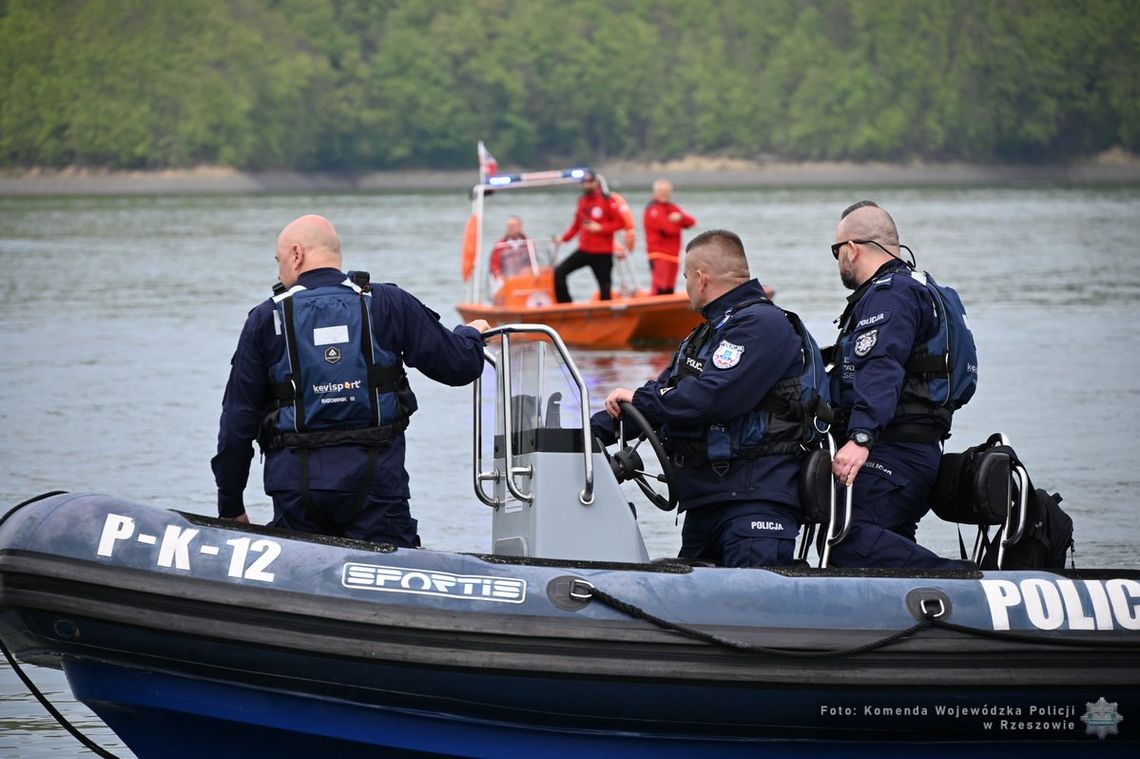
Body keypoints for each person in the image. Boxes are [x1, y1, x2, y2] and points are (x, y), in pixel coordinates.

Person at [211, 214, 489, 545]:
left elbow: (236, 423)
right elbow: (458, 367)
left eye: (279, 261)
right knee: (390, 581)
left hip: (297, 493)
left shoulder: (264, 319)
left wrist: (231, 506)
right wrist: (471, 335)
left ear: (296, 254)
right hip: (376, 488)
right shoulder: (388, 303)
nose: (278, 272)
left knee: (300, 579)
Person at [591, 230, 828, 568]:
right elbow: (661, 399)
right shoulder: (706, 334)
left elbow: (709, 398)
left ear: (701, 279)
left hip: (754, 499)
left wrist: (642, 399)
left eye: (685, 277)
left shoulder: (763, 326)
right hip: (709, 499)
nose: (685, 286)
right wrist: (585, 433)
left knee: (747, 606)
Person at [826, 200, 977, 569]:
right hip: (920, 448)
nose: (837, 260)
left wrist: (861, 437)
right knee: (888, 542)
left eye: (836, 251)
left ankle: (964, 582)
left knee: (850, 541)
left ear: (852, 249)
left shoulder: (889, 294)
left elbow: (881, 364)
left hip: (894, 450)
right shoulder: (922, 287)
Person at [553, 170, 625, 303]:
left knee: (605, 288)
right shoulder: (582, 201)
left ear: (596, 183)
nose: (586, 185)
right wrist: (563, 238)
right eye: (584, 182)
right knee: (559, 273)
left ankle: (606, 316)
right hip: (585, 250)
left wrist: (601, 228)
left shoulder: (607, 200)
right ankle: (566, 306)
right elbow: (576, 225)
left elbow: (621, 223)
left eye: (589, 182)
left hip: (603, 253)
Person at [643, 178, 696, 295]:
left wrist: (680, 217)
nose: (664, 193)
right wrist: (677, 222)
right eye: (661, 190)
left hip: (673, 255)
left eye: (667, 190)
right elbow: (669, 229)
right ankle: (653, 311)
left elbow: (691, 222)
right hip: (659, 254)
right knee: (660, 288)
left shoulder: (671, 207)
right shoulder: (653, 209)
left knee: (669, 289)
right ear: (655, 192)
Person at [489, 215, 533, 282]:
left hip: (526, 280)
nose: (511, 228)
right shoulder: (500, 245)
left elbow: (535, 261)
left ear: (520, 226)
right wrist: (498, 275)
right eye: (509, 226)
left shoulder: (529, 244)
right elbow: (494, 264)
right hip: (507, 281)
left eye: (514, 225)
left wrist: (529, 269)